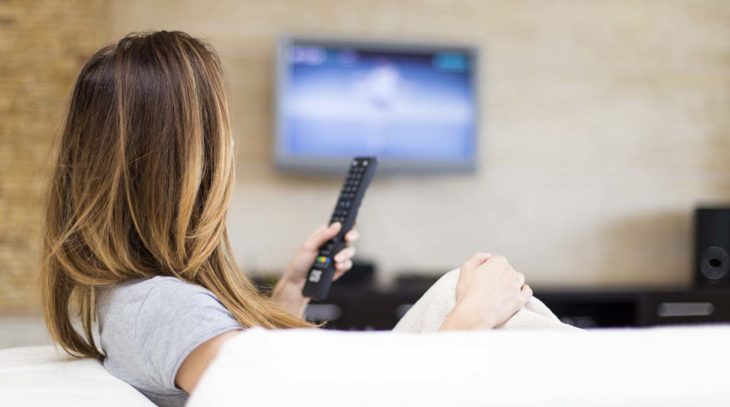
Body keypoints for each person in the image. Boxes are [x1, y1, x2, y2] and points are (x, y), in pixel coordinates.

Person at [41, 31, 533, 407]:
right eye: (221, 130)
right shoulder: (166, 308)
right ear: (188, 161)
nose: (231, 147)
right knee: (479, 298)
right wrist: (470, 320)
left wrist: (291, 292)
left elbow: (262, 381)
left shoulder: (136, 297)